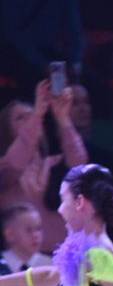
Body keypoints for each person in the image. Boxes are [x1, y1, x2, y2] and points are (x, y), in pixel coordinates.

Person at [0, 80, 87, 253]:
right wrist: (38, 113)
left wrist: (62, 118)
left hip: (61, 258)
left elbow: (79, 163)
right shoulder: (5, 168)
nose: (31, 120)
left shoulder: (54, 163)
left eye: (32, 116)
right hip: (19, 262)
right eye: (21, 118)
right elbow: (14, 164)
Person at [0, 0, 83, 95]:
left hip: (51, 54)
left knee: (95, 85)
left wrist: (75, 62)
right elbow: (13, 33)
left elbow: (74, 30)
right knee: (36, 81)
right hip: (16, 55)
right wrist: (42, 65)